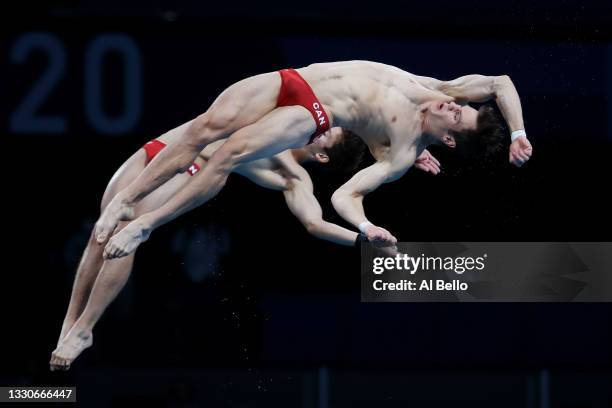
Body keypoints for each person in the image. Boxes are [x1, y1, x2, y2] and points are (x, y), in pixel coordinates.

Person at [50, 124, 441, 371]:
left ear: (322, 155)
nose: (323, 128)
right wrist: (406, 146)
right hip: (161, 148)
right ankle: (70, 323)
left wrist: (361, 237)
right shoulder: (290, 122)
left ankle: (86, 327)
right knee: (98, 237)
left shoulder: (293, 175)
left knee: (127, 230)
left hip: (194, 169)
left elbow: (313, 223)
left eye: (327, 136)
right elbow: (368, 115)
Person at [96, 61, 531, 258]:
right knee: (203, 128)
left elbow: (345, 196)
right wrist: (518, 132)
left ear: (451, 142)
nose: (452, 106)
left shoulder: (400, 155)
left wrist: (364, 228)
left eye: (457, 116)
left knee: (227, 153)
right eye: (459, 105)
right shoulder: (440, 88)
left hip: (313, 112)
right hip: (296, 77)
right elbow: (499, 82)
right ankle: (125, 201)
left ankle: (144, 225)